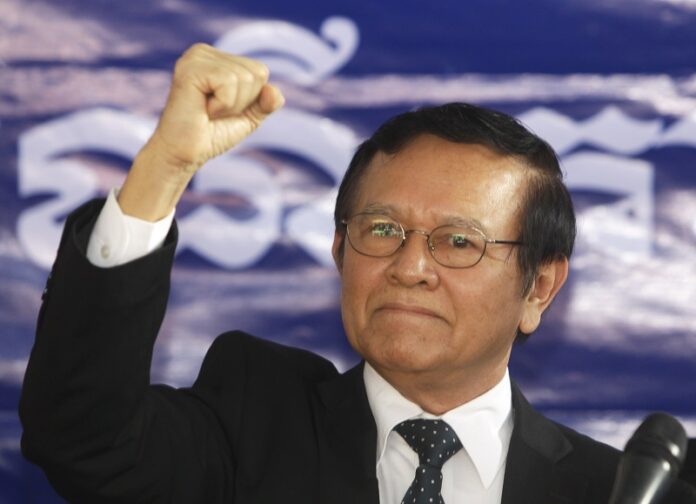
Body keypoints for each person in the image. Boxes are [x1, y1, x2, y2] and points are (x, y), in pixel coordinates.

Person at [18, 44, 692, 503]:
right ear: (341, 251)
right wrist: (164, 167)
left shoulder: (619, 492)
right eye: (383, 231)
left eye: (458, 241)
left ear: (539, 287)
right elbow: (83, 436)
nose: (411, 267)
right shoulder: (251, 422)